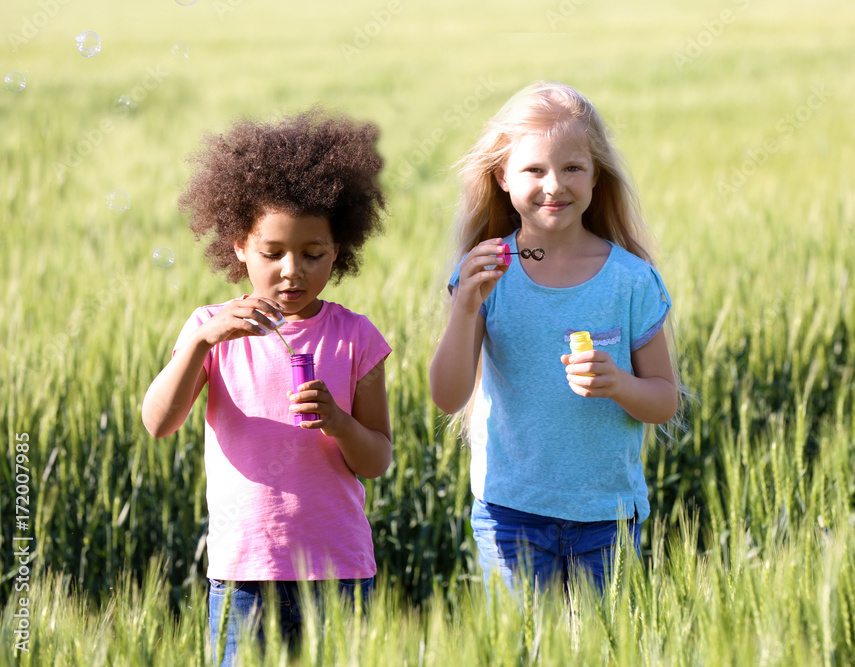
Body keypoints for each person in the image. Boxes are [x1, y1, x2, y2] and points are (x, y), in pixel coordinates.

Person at [141, 109, 392, 665]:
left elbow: (376, 459)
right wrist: (203, 342)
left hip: (338, 574)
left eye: (313, 254)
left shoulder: (357, 338)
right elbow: (158, 422)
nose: (291, 272)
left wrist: (341, 424)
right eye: (272, 253)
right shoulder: (212, 330)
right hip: (245, 575)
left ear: (340, 248)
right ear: (238, 246)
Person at [429, 81, 682, 595]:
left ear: (595, 176)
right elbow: (447, 394)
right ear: (502, 177)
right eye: (534, 170)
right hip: (510, 513)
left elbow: (664, 402)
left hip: (606, 516)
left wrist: (618, 384)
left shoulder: (630, 280)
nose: (554, 185)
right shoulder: (487, 271)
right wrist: (464, 308)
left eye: (572, 168)